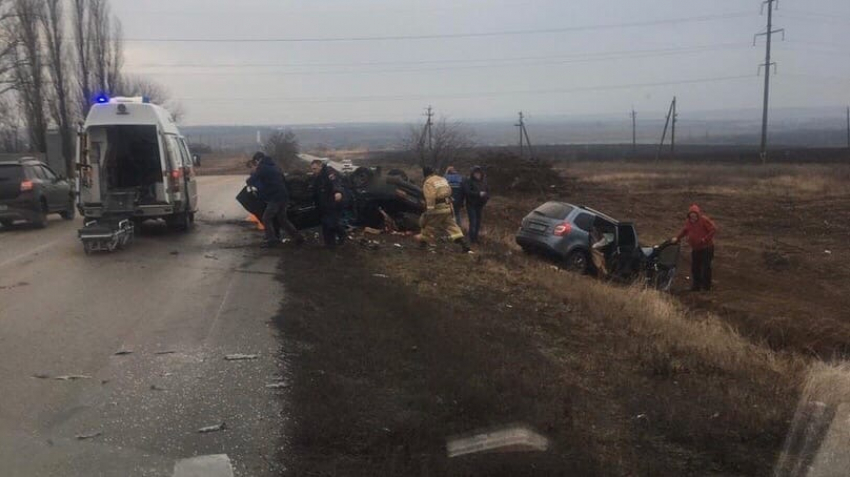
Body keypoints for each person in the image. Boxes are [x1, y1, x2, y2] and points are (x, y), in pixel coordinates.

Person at [247, 152, 304, 248]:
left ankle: (272, 240)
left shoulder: (262, 167)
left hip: (275, 198)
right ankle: (298, 237)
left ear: (258, 159)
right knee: (282, 219)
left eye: (256, 162)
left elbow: (252, 179)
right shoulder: (275, 166)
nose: (256, 164)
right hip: (283, 196)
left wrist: (249, 182)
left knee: (266, 218)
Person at [415, 166, 471, 253]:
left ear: (425, 174)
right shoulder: (442, 179)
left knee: (428, 226)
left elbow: (430, 197)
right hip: (447, 207)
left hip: (437, 209)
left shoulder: (428, 182)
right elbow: (449, 191)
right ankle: (464, 245)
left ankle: (429, 246)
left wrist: (429, 210)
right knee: (453, 228)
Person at [671, 204, 717, 291]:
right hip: (696, 249)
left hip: (707, 248)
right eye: (691, 215)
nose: (693, 217)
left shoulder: (704, 220)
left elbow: (713, 229)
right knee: (695, 268)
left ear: (697, 214)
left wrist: (704, 239)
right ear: (689, 215)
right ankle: (696, 286)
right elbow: (685, 231)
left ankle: (706, 287)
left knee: (706, 267)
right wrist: (677, 238)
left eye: (695, 215)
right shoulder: (688, 222)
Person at [310, 159, 346, 248]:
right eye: (312, 169)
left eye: (315, 168)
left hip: (332, 202)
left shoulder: (329, 173)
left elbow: (336, 183)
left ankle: (342, 235)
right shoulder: (316, 177)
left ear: (320, 166)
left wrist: (338, 192)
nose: (313, 171)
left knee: (332, 223)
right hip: (322, 203)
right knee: (325, 224)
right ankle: (329, 243)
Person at [462, 165, 489, 244]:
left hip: (480, 205)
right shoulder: (468, 181)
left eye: (479, 173)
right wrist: (478, 194)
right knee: (473, 222)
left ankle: (476, 238)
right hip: (471, 204)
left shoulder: (483, 182)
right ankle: (471, 239)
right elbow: (467, 192)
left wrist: (486, 197)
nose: (478, 175)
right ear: (472, 174)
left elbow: (488, 191)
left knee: (478, 222)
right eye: (476, 173)